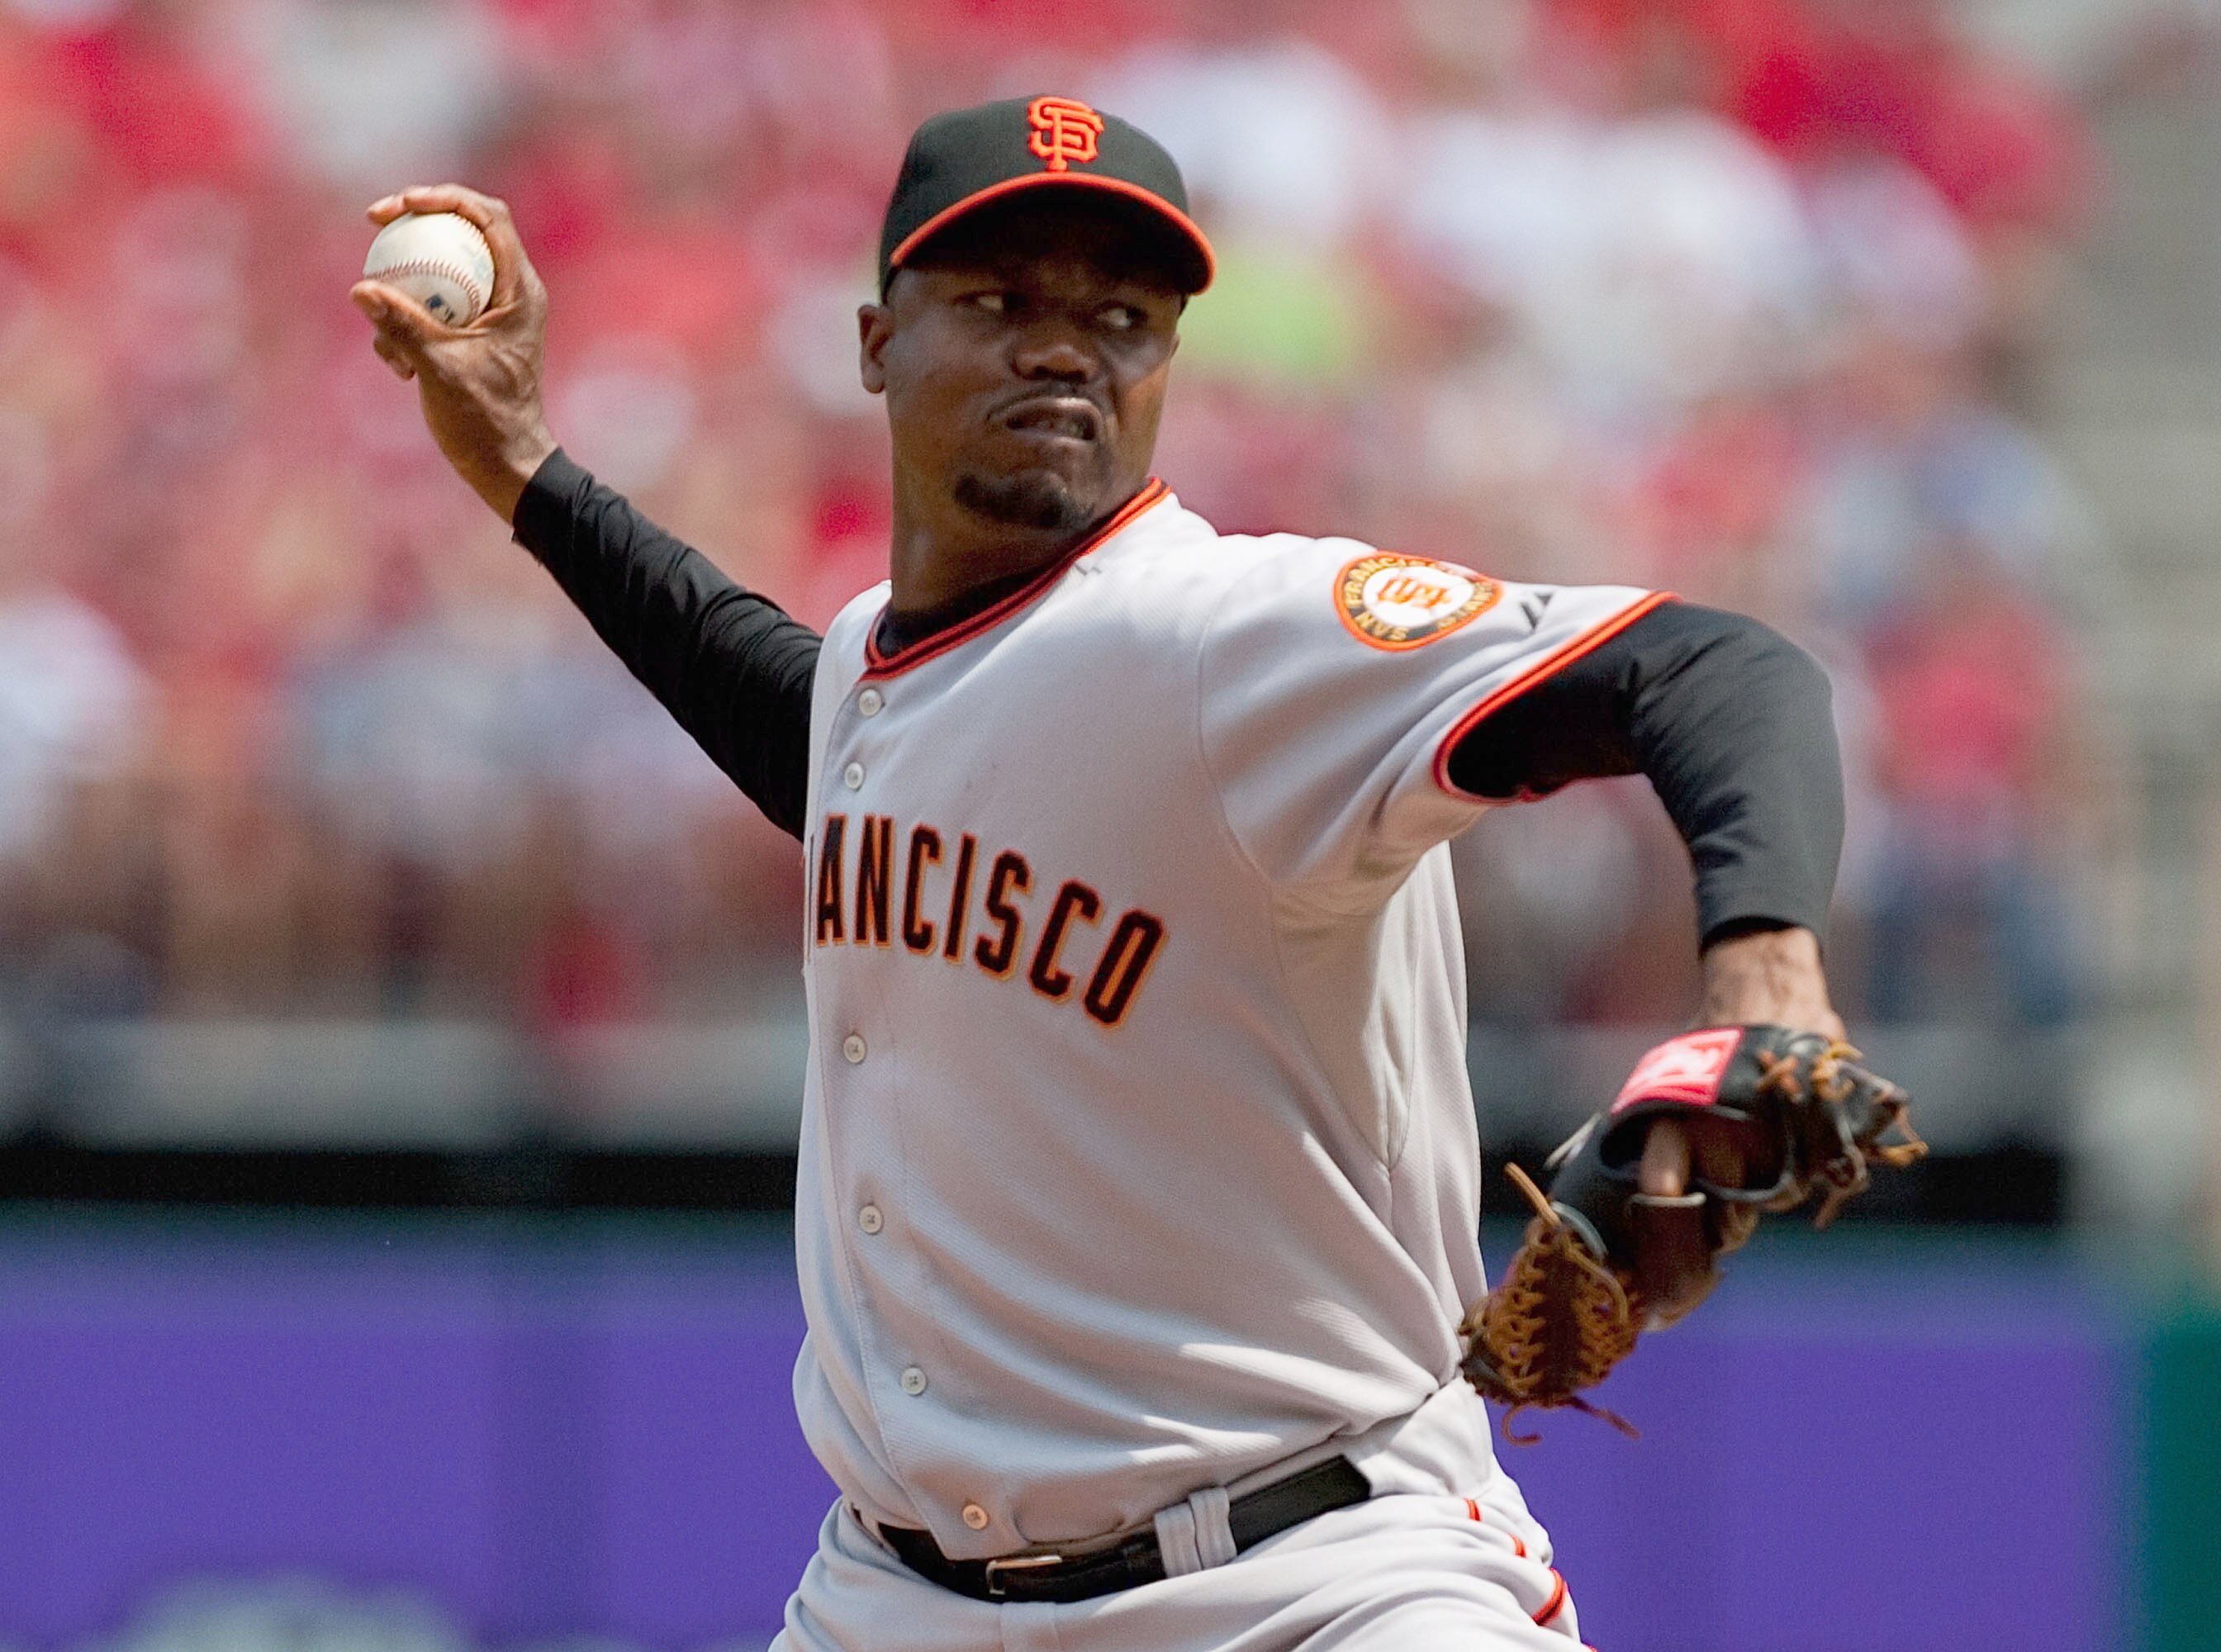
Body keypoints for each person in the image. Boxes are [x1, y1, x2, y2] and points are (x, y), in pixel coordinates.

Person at [352, 95, 1850, 1652]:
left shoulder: (1236, 637)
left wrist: (1765, 973)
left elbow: (1717, 671)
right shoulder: (880, 673)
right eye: (1003, 303)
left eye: (1120, 317)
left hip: (1313, 1581)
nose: (1064, 350)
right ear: (876, 343)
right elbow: (791, 707)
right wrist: (519, 464)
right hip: (896, 1603)